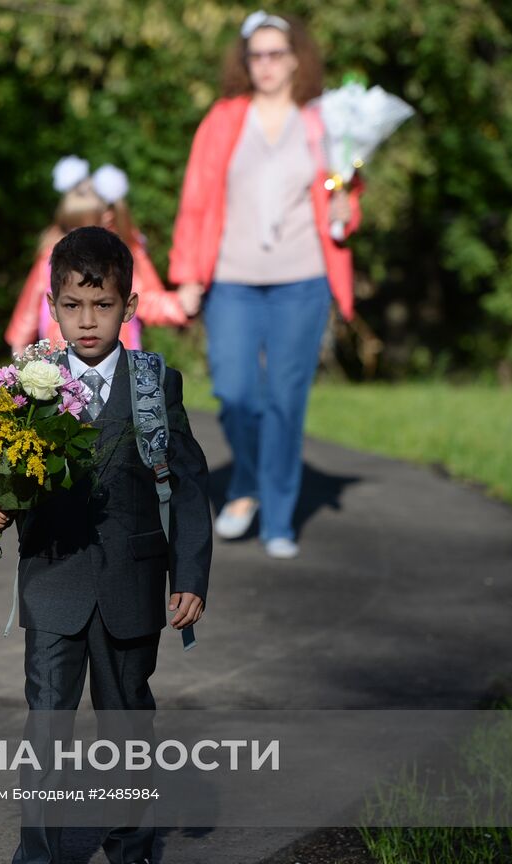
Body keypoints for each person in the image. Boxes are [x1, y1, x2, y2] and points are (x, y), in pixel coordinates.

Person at [0, 226, 212, 864]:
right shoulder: (28, 381)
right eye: (73, 306)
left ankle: (131, 850)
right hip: (53, 578)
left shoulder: (152, 382)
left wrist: (190, 573)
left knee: (126, 723)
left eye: (101, 306)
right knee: (46, 721)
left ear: (129, 306)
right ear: (52, 304)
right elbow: (4, 470)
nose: (86, 321)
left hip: (133, 584)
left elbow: (190, 483)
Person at [168, 10, 363, 559]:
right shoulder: (224, 120)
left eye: (278, 53)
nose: (268, 64)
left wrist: (347, 208)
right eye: (258, 55)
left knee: (284, 398)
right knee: (233, 391)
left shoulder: (324, 122)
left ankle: (278, 517)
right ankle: (248, 481)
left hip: (302, 282)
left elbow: (342, 206)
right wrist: (185, 276)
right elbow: (195, 202)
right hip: (231, 280)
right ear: (245, 62)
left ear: (298, 57)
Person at [6, 156, 187, 355]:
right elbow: (30, 302)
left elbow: (146, 297)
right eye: (70, 228)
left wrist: (180, 306)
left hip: (116, 359)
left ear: (107, 219)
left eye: (83, 228)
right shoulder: (51, 257)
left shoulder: (120, 258)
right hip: (61, 361)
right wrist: (20, 342)